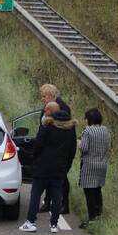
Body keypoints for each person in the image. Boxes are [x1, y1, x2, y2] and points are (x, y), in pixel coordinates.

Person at [19, 102, 77, 234]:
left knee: (36, 194)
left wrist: (35, 159)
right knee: (57, 196)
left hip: (43, 167)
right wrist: (66, 166)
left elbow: (38, 145)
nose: (44, 112)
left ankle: (31, 222)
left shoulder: (46, 127)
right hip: (59, 168)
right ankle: (54, 224)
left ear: (51, 112)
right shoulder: (70, 130)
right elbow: (72, 151)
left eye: (46, 110)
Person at [38, 84, 73, 213]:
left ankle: (64, 203)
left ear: (50, 95)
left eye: (43, 96)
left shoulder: (63, 108)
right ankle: (48, 201)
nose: (42, 99)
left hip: (60, 149)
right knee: (49, 176)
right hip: (50, 147)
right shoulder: (49, 105)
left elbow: (63, 128)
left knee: (62, 177)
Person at [78, 108, 110, 228]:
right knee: (97, 189)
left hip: (89, 165)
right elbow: (108, 145)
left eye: (86, 118)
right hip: (102, 163)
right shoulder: (105, 129)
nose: (85, 121)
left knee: (89, 191)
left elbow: (84, 148)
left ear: (89, 119)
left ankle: (91, 218)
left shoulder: (87, 130)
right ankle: (98, 214)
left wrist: (79, 143)